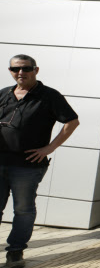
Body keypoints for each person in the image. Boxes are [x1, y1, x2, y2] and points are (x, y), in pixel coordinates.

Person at [0, 55, 80, 267]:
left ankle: (15, 252)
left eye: (26, 68)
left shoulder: (49, 96)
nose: (20, 73)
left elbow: (72, 122)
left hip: (27, 166)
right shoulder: (3, 94)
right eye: (15, 69)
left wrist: (50, 148)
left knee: (23, 209)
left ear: (36, 69)